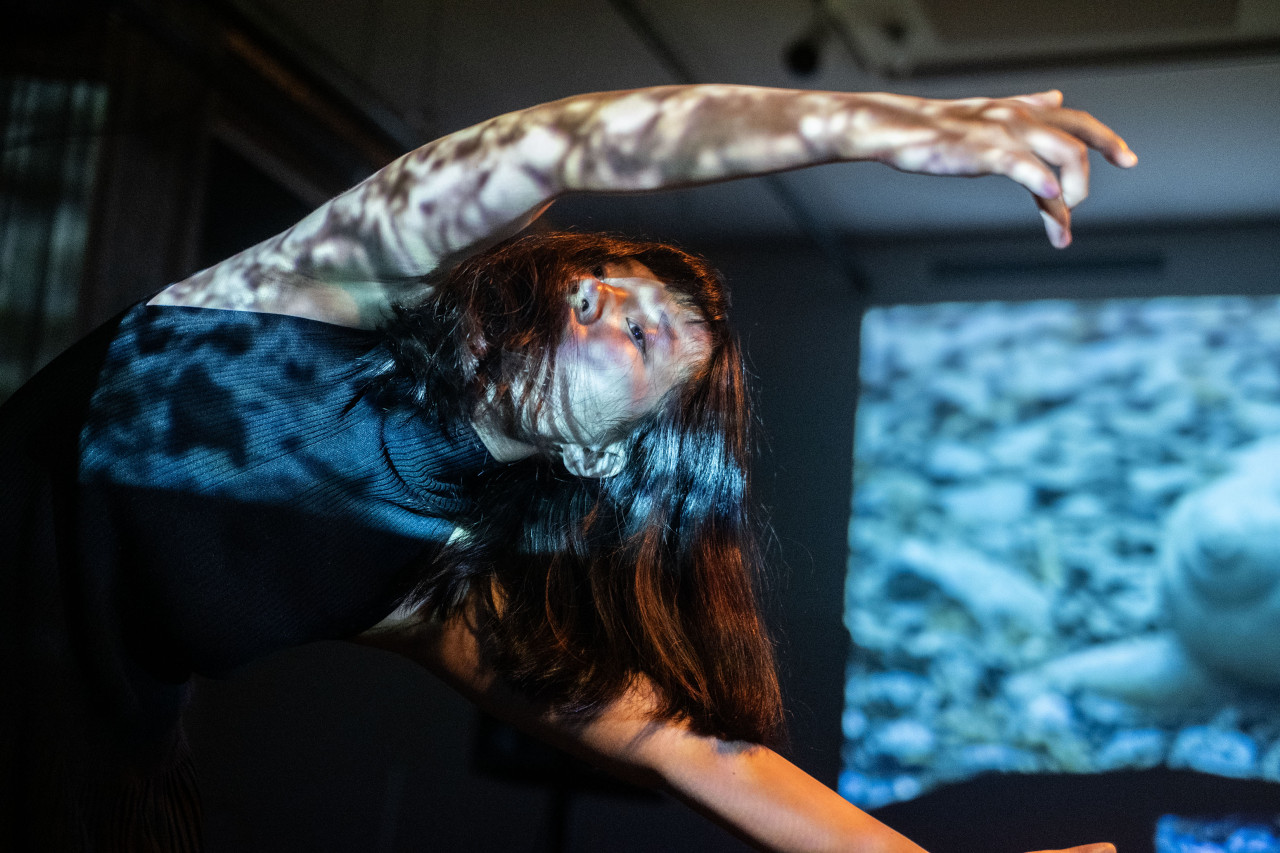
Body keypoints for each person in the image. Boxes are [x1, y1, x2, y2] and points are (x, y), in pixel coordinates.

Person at [0, 84, 1136, 852]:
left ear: (604, 451)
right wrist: (882, 126)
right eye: (592, 287)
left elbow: (711, 760)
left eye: (642, 337)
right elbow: (567, 144)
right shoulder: (319, 290)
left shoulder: (425, 581)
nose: (597, 308)